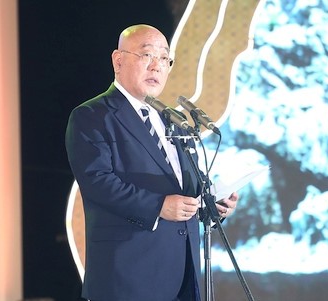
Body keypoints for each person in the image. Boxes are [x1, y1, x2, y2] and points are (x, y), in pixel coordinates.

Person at [65, 24, 238, 301]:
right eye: (147, 55)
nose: (157, 66)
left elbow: (187, 187)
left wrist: (213, 204)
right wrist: (158, 206)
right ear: (118, 60)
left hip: (183, 274)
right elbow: (98, 181)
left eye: (164, 58)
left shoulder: (173, 120)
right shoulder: (92, 115)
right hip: (127, 276)